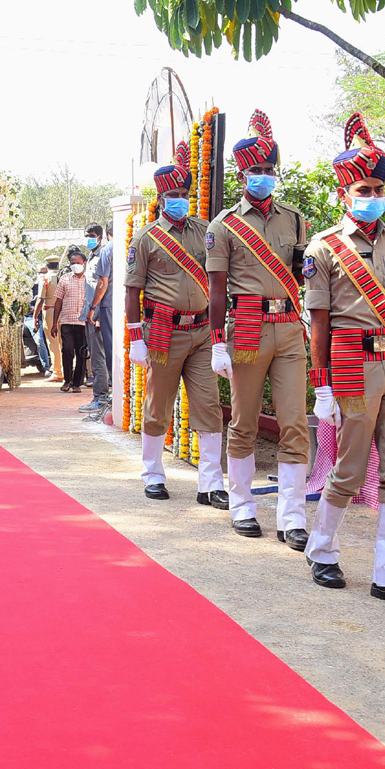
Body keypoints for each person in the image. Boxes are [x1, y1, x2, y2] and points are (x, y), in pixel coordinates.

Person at [206, 110, 310, 544]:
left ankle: (292, 517)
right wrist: (217, 343)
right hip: (245, 324)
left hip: (288, 327)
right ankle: (242, 506)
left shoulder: (295, 218)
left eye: (269, 170)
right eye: (256, 170)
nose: (263, 177)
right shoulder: (223, 225)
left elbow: (301, 275)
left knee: (294, 423)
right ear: (242, 173)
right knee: (245, 422)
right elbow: (215, 291)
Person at [304, 112, 385, 593]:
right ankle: (322, 551)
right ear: (345, 193)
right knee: (352, 465)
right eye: (364, 190)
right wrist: (322, 385)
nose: (373, 198)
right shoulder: (325, 248)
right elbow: (317, 324)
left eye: (378, 189)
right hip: (352, 367)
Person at [124, 143, 226, 505]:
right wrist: (136, 339)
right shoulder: (146, 238)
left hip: (200, 332)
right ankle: (152, 474)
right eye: (173, 194)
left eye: (184, 194)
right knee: (157, 406)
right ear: (161, 196)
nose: (179, 200)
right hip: (163, 332)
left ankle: (211, 483)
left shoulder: (206, 232)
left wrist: (219, 338)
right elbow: (131, 291)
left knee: (209, 406)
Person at [80, 223, 110, 413]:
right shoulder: (92, 257)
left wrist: (95, 312)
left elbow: (102, 286)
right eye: (86, 235)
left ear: (100, 236)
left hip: (97, 314)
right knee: (96, 357)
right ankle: (100, 396)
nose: (88, 239)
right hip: (90, 313)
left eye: (91, 235)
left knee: (98, 358)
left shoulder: (103, 256)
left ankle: (101, 397)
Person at [51, 248, 87, 392]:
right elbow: (58, 301)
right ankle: (67, 380)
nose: (75, 265)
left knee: (81, 352)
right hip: (66, 321)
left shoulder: (90, 279)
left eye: (78, 262)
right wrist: (55, 323)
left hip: (83, 322)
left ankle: (77, 383)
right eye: (73, 262)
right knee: (67, 350)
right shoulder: (65, 278)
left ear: (84, 263)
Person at [29, 263, 53, 377]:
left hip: (44, 314)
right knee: (40, 340)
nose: (42, 275)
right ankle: (46, 367)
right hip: (31, 317)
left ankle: (50, 367)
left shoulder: (48, 283)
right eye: (40, 272)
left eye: (44, 272)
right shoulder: (30, 286)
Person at [42, 255, 64, 382]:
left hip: (49, 310)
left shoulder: (46, 279)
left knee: (53, 342)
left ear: (47, 266)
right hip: (63, 311)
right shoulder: (63, 276)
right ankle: (65, 370)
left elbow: (40, 299)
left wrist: (35, 316)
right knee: (63, 342)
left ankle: (57, 371)